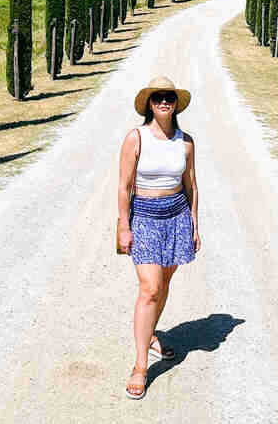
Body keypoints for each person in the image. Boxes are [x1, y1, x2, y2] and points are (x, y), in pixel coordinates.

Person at [117, 75, 200, 400]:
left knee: (163, 284)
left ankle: (150, 334)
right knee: (149, 288)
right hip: (146, 218)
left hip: (177, 215)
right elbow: (124, 187)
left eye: (169, 97)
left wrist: (194, 224)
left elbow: (191, 185)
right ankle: (140, 366)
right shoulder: (135, 138)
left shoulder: (186, 141)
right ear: (149, 104)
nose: (164, 101)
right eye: (158, 97)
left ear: (176, 103)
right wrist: (125, 226)